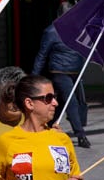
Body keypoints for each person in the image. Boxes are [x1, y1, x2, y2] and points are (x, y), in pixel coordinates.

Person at [33, 15, 90, 148]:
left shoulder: (78, 29)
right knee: (72, 102)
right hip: (60, 71)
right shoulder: (52, 31)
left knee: (62, 103)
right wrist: (34, 76)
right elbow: (42, 54)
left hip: (75, 71)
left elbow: (83, 49)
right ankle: (81, 135)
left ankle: (47, 127)